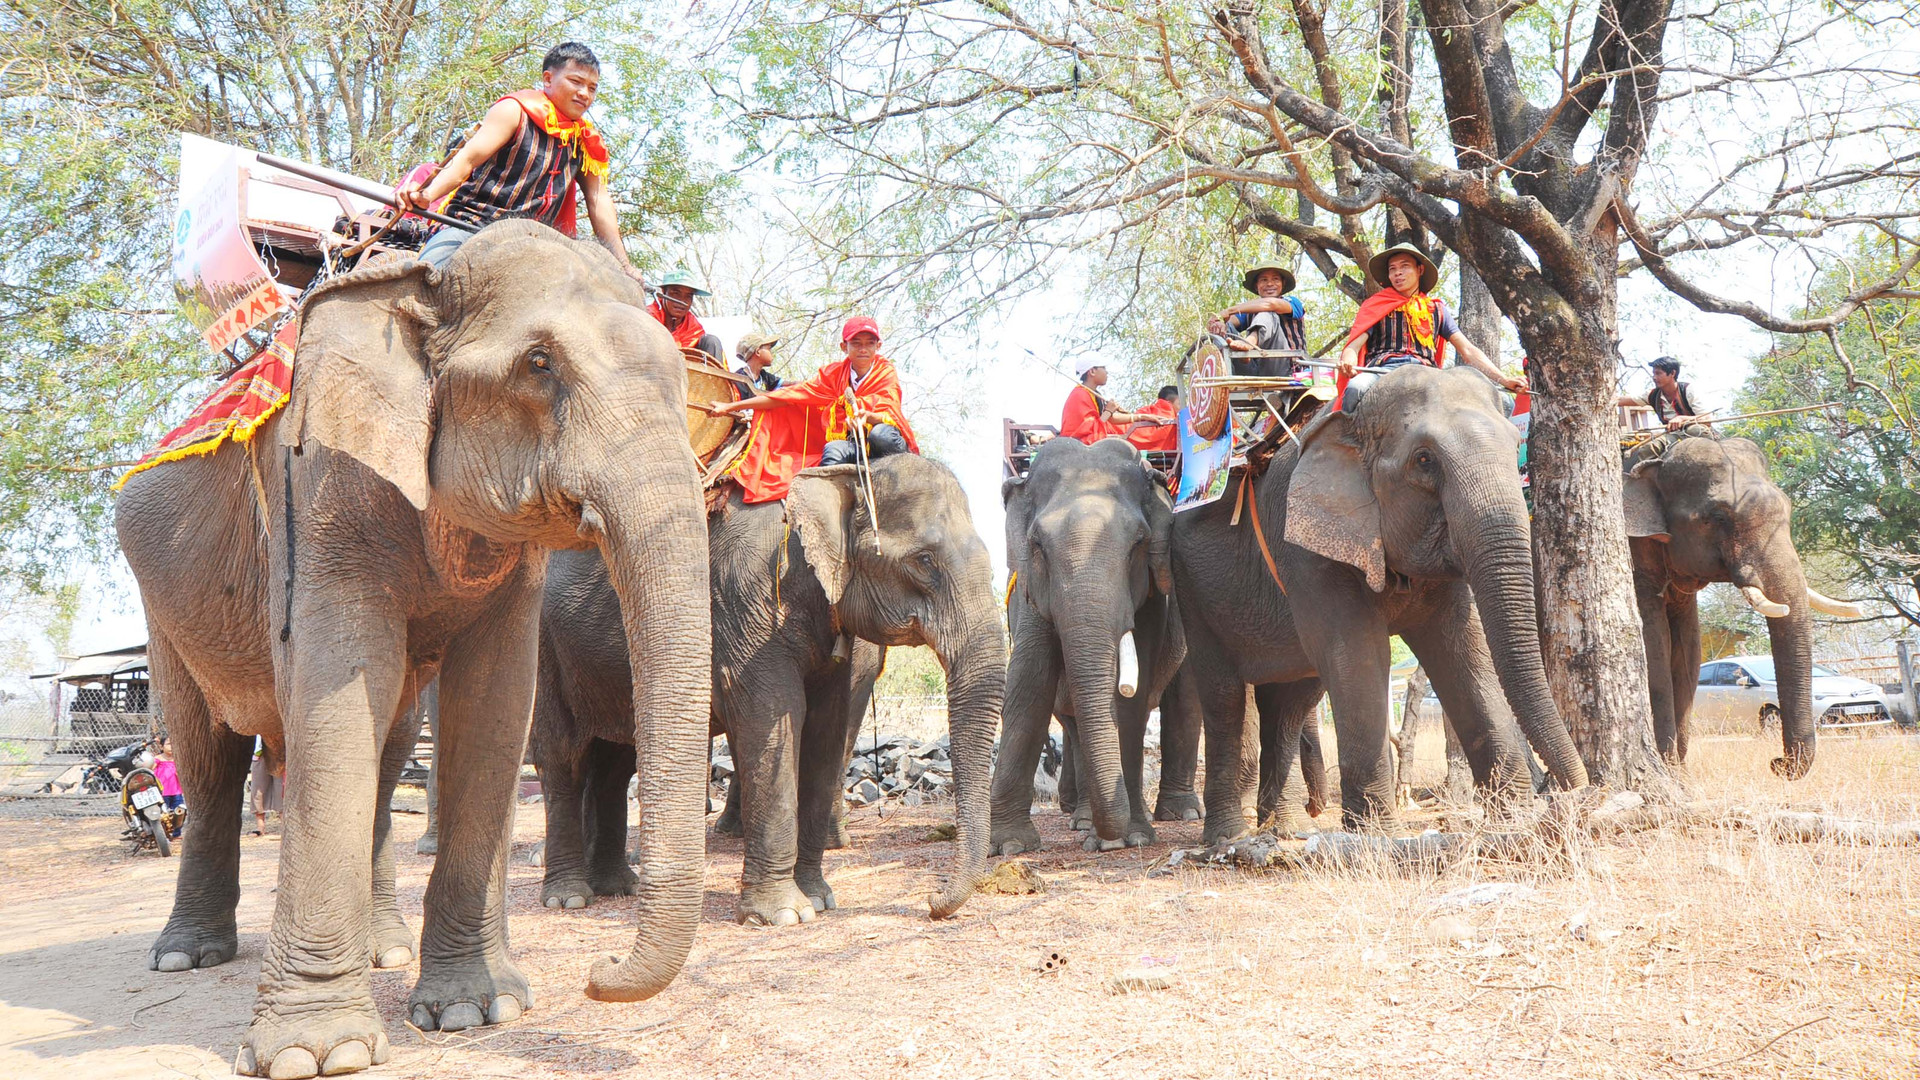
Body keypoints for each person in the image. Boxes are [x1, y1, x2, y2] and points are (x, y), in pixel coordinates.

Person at [394, 42, 645, 283]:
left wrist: (623, 263)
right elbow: (467, 160)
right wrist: (426, 195)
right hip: (471, 226)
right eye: (576, 82)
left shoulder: (585, 140)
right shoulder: (515, 110)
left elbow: (598, 199)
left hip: (536, 243)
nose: (584, 94)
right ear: (548, 79)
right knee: (428, 281)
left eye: (592, 88)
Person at [715, 316, 921, 501]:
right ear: (844, 346)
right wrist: (731, 406)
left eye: (870, 343)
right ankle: (823, 509)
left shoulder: (885, 372)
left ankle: (904, 483)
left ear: (879, 346)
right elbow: (786, 397)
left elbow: (890, 411)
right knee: (832, 451)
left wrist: (868, 417)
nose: (863, 349)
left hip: (880, 437)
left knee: (880, 435)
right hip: (855, 443)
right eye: (856, 343)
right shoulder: (834, 375)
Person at [1336, 243, 1526, 409]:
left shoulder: (1437, 309)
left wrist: (1503, 379)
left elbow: (1467, 350)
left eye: (1404, 266)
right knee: (1355, 389)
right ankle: (1347, 445)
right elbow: (1353, 346)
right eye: (1392, 269)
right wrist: (1348, 360)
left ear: (1420, 270)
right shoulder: (1375, 305)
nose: (1397, 273)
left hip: (1429, 372)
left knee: (1503, 401)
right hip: (1382, 370)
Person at [1209, 262, 1308, 376]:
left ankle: (1249, 343)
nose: (1270, 283)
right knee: (1225, 328)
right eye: (1264, 280)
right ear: (1257, 285)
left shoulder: (1292, 302)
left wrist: (1229, 310)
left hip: (1285, 369)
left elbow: (1271, 304)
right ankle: (1227, 366)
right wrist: (1218, 322)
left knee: (1268, 313)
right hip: (1254, 370)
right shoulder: (1248, 312)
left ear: (1283, 283)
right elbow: (1230, 322)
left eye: (1275, 279)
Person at [1061, 358, 1170, 445]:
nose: (1106, 372)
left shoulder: (1093, 394)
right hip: (1078, 448)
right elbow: (1087, 433)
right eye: (1103, 368)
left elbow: (1109, 419)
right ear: (1092, 371)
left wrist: (1141, 417)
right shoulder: (1080, 395)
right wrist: (1108, 411)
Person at [648, 268, 724, 363]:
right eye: (676, 293)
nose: (682, 301)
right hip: (651, 370)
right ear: (663, 292)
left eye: (688, 296)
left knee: (712, 341)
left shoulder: (694, 328)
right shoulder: (647, 317)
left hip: (688, 374)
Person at [1616, 356, 1710, 431]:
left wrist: (1682, 419)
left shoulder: (1687, 390)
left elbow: (1706, 420)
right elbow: (1621, 400)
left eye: (1658, 373)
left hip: (1695, 434)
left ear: (1672, 373)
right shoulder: (1653, 395)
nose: (1654, 377)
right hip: (1671, 437)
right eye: (1654, 374)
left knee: (1695, 430)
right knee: (1647, 449)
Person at [1127, 385, 1182, 452]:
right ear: (1169, 403)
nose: (1182, 408)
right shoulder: (1168, 412)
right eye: (1180, 404)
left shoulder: (1147, 410)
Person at [152, 736, 184, 839]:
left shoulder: (178, 759)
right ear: (161, 746)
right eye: (169, 744)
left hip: (176, 791)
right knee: (163, 814)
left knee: (179, 811)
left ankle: (176, 833)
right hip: (162, 792)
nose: (172, 746)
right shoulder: (158, 759)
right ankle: (164, 834)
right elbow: (151, 769)